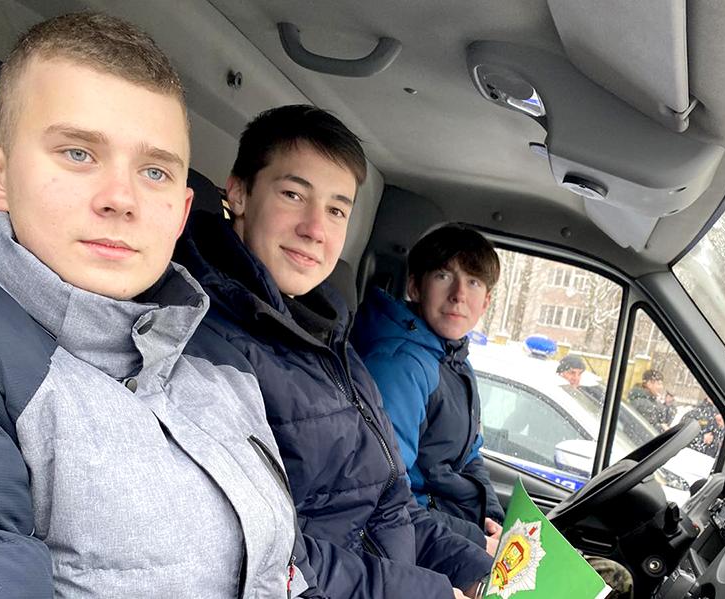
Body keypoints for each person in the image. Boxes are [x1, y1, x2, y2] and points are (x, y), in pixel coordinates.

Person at [0, 13, 310, 598]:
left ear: (183, 211)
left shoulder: (222, 366)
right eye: (78, 153)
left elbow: (286, 569)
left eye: (155, 171)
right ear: (0, 176)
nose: (122, 199)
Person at [174, 105, 492, 599]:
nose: (315, 229)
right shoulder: (200, 339)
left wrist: (482, 572)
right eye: (293, 194)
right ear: (238, 193)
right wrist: (425, 593)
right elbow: (263, 553)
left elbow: (393, 508)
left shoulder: (328, 338)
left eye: (336, 210)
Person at [352, 226, 505, 552]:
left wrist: (491, 517)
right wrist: (477, 541)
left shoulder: (453, 359)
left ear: (486, 302)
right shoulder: (399, 366)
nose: (459, 294)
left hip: (448, 523)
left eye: (474, 282)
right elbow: (387, 494)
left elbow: (470, 454)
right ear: (415, 287)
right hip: (409, 538)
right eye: (443, 276)